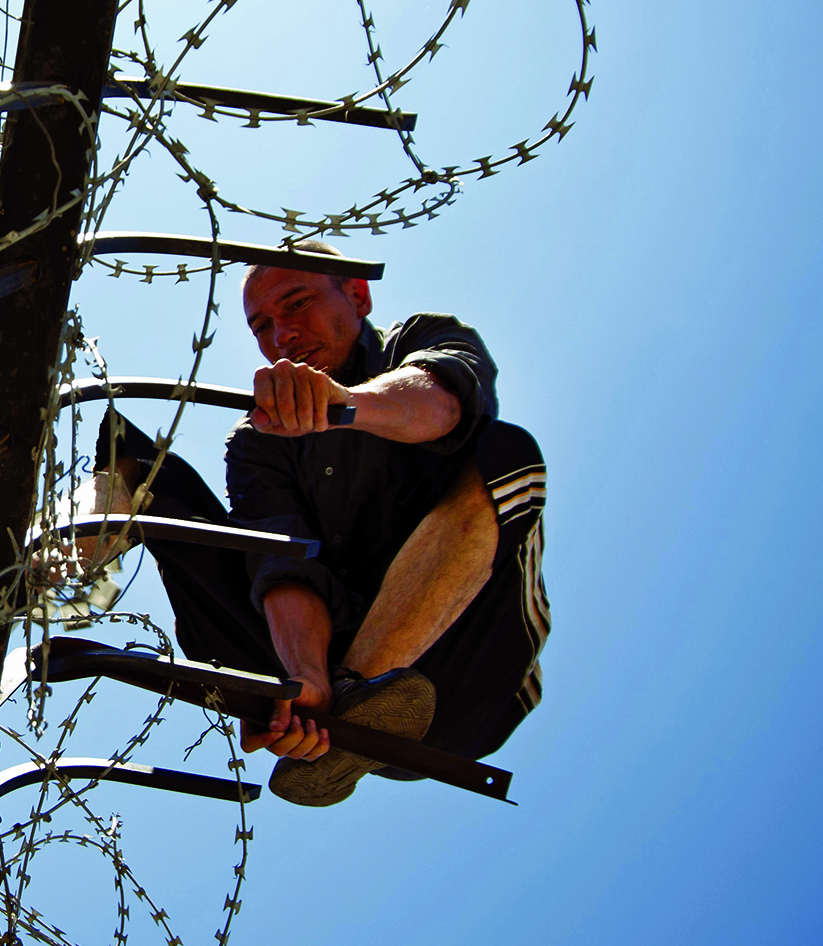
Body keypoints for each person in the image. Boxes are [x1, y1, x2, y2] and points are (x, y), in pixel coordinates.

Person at [84, 240, 549, 806]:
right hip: (321, 681)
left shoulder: (421, 341)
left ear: (357, 295)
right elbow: (282, 562)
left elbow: (441, 404)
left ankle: (357, 689)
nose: (282, 335)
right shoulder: (258, 440)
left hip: (463, 676)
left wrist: (345, 404)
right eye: (261, 326)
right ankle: (34, 574)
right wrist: (303, 677)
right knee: (147, 471)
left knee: (507, 456)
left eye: (297, 303)